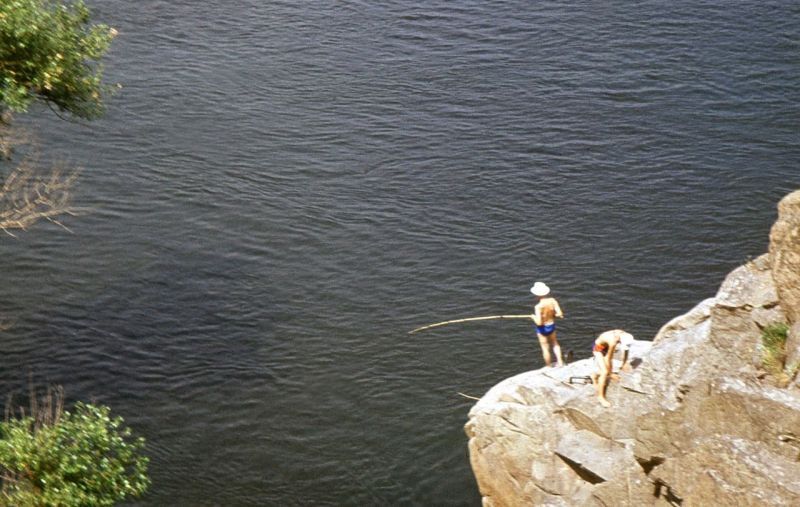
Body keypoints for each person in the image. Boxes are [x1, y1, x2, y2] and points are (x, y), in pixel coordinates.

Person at [590, 329, 634, 407]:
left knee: (606, 370)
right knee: (605, 372)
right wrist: (610, 374)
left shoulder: (623, 334)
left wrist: (624, 363)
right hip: (598, 349)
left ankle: (594, 375)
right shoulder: (612, 341)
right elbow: (608, 359)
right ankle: (600, 397)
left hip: (606, 347)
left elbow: (626, 351)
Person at [531, 282, 565, 367]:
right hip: (551, 325)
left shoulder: (538, 306)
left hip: (542, 329)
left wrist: (533, 317)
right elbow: (560, 314)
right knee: (555, 343)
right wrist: (553, 315)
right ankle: (560, 362)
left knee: (545, 347)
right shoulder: (553, 301)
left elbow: (539, 323)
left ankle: (548, 366)